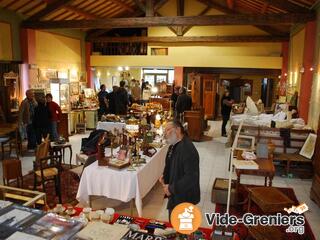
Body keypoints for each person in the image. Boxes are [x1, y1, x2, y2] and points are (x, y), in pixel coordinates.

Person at [159, 120, 200, 219]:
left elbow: (191, 178)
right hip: (176, 194)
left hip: (184, 197)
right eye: (165, 131)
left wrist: (171, 188)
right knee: (174, 225)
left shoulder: (187, 149)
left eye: (168, 130)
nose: (165, 133)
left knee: (181, 228)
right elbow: (170, 164)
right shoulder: (174, 145)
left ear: (178, 130)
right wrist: (165, 176)